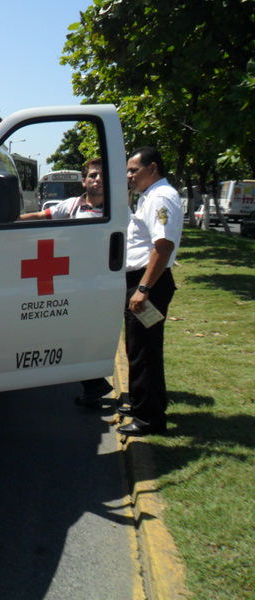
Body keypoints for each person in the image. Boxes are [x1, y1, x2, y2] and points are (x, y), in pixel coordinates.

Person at [21, 158, 115, 407]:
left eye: (102, 176)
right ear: (83, 180)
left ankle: (94, 385)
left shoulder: (116, 209)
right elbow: (42, 215)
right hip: (72, 281)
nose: (97, 180)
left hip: (100, 282)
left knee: (88, 334)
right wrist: (11, 220)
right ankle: (94, 385)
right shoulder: (73, 205)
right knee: (76, 333)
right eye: (93, 175)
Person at [119, 146, 183, 436]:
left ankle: (149, 419)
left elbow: (163, 245)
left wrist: (143, 288)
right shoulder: (150, 196)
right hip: (143, 282)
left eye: (134, 170)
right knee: (140, 348)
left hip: (149, 284)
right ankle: (143, 404)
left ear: (153, 168)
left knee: (144, 351)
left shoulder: (160, 197)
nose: (129, 175)